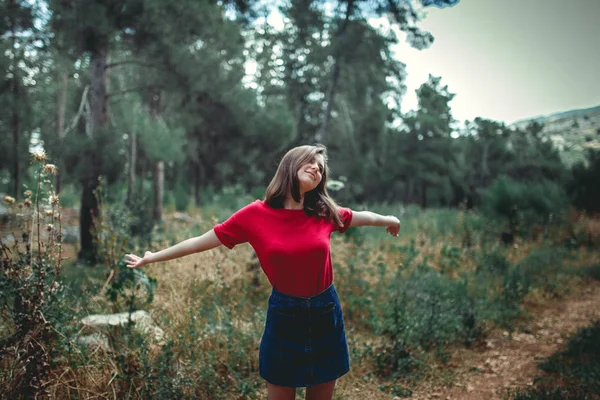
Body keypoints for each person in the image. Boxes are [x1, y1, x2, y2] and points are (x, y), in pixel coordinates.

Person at [125, 144, 400, 400]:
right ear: (290, 166)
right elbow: (200, 241)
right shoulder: (255, 215)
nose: (317, 168)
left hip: (325, 310)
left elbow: (362, 216)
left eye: (321, 167)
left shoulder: (322, 211)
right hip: (285, 314)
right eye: (310, 161)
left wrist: (390, 220)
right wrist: (152, 258)